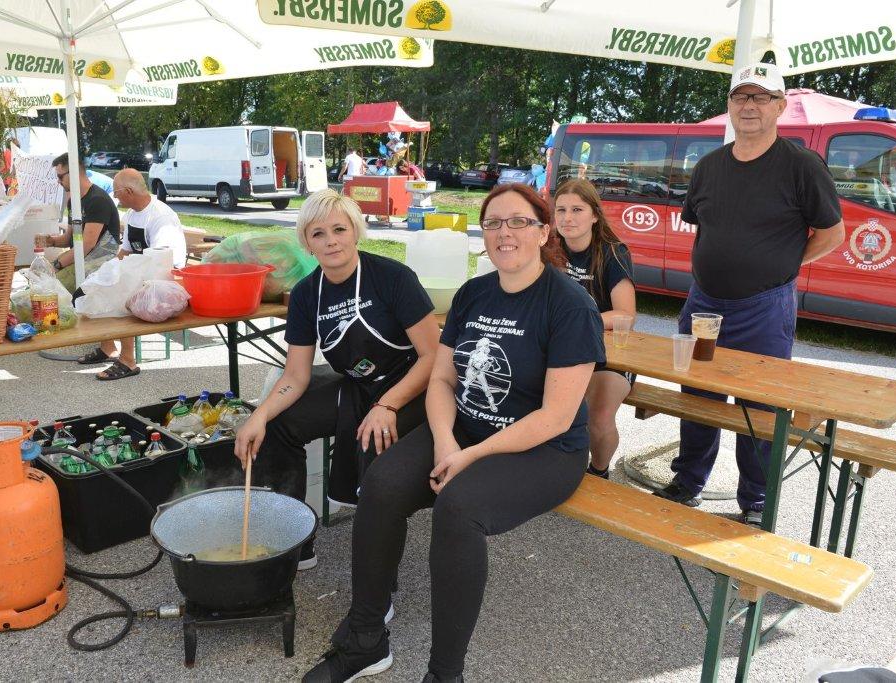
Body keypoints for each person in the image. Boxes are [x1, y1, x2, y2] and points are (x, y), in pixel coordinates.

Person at [302, 184, 604, 683]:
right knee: (381, 482)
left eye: (518, 222)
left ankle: (445, 675)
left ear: (544, 231)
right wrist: (444, 439)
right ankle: (365, 638)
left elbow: (554, 416)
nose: (504, 233)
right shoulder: (473, 293)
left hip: (545, 450)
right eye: (493, 224)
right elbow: (442, 378)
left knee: (458, 508)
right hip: (463, 429)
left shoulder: (569, 305)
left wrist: (471, 456)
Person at [652, 62, 844, 527]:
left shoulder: (801, 165)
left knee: (759, 406)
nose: (750, 106)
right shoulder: (709, 166)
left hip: (764, 308)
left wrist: (783, 264)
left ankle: (755, 500)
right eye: (742, 97)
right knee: (698, 397)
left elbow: (833, 233)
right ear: (730, 106)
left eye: (761, 97)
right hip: (703, 305)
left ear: (780, 106)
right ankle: (689, 480)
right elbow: (704, 229)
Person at [234, 188, 439, 569]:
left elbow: (434, 358)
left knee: (375, 439)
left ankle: (376, 583)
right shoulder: (307, 295)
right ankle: (295, 540)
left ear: (356, 231)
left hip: (411, 387)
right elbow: (295, 374)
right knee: (278, 424)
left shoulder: (393, 277)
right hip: (356, 386)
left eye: (339, 229)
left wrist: (388, 404)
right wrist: (258, 415)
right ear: (307, 244)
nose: (331, 241)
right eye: (318, 234)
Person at [552, 178, 636, 478]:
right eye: (560, 210)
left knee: (597, 417)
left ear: (594, 215)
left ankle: (598, 471)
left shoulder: (613, 253)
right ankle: (547, 467)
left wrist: (577, 318)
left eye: (577, 209)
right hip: (561, 349)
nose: (567, 218)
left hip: (607, 355)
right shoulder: (548, 249)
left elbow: (626, 315)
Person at [75, 168, 187, 380]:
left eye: (116, 192)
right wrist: (105, 272)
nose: (115, 196)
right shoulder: (133, 214)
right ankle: (108, 346)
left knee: (122, 296)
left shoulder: (161, 217)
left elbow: (163, 260)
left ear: (128, 191)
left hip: (167, 280)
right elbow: (125, 250)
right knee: (100, 285)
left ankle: (128, 360)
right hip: (142, 270)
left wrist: (124, 277)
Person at [35, 153, 120, 295]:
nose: (58, 181)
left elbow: (87, 245)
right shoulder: (74, 201)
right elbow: (70, 239)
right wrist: (49, 241)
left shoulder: (97, 200)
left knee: (44, 293)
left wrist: (56, 264)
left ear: (73, 173)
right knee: (38, 288)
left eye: (60, 176)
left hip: (98, 267)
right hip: (82, 262)